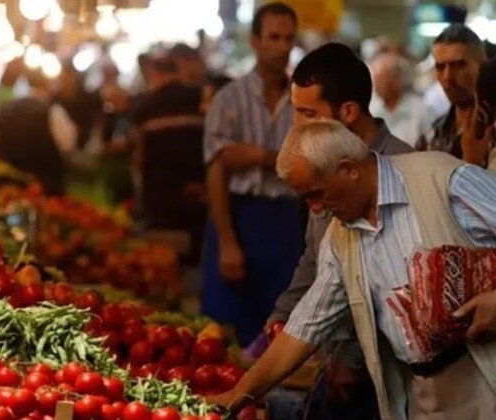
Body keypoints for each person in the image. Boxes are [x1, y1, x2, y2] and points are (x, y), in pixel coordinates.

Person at [208, 119, 496, 420]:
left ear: (348, 169)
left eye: (316, 194)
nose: (316, 210)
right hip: (421, 394)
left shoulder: (442, 179)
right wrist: (239, 394)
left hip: (485, 377)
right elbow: (306, 326)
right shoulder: (340, 236)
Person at [266, 42, 413, 420]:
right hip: (336, 357)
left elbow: (394, 283)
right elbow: (315, 257)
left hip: (388, 372)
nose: (298, 126)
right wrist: (284, 312)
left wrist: (351, 355)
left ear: (347, 111)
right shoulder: (318, 162)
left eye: (308, 114)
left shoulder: (401, 168)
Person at [202, 2, 299, 347]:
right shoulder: (229, 99)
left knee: (279, 328)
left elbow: (308, 164)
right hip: (238, 216)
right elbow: (217, 168)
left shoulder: (302, 102)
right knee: (227, 332)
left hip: (287, 220)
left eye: (288, 38)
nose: (282, 47)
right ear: (255, 41)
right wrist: (227, 240)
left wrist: (257, 155)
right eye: (273, 37)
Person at [132, 54, 206, 265]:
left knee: (162, 267)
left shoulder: (146, 106)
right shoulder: (199, 99)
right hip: (198, 195)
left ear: (155, 74)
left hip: (160, 198)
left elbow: (138, 156)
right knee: (194, 260)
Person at [0, 70, 77, 196]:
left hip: (8, 186)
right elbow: (68, 146)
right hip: (45, 188)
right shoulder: (54, 112)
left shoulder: (5, 108)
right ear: (46, 85)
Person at [417, 24, 488, 165]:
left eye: (458, 65)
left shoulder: (490, 129)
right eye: (440, 67)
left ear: (482, 65)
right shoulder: (432, 135)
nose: (448, 77)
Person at [370, 52, 435, 147]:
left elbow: (432, 145)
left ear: (397, 80)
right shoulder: (372, 107)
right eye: (375, 80)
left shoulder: (420, 110)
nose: (376, 86)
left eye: (381, 79)